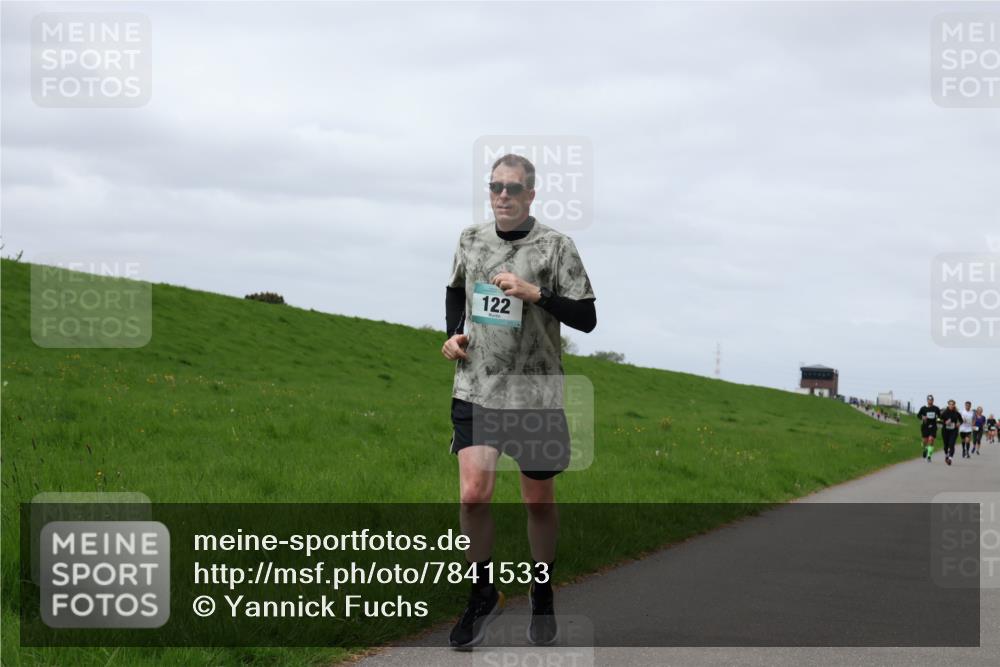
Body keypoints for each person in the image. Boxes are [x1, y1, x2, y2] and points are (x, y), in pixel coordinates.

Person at [441, 153, 596, 649]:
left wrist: (536, 294)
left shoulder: (556, 246)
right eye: (495, 188)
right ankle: (483, 591)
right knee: (473, 495)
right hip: (476, 389)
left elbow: (587, 318)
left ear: (531, 194)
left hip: (534, 394)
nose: (502, 196)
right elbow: (455, 292)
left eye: (513, 189)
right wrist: (454, 336)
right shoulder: (470, 239)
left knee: (537, 501)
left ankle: (543, 587)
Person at [917, 395, 941, 462]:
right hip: (925, 426)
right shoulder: (923, 408)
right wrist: (922, 417)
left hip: (933, 426)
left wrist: (938, 420)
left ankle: (929, 456)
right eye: (929, 400)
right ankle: (925, 449)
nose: (930, 401)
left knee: (931, 440)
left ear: (933, 401)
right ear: (927, 400)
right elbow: (918, 415)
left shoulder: (936, 408)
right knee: (925, 441)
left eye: (931, 400)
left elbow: (939, 416)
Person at [940, 400, 962, 465]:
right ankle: (946, 455)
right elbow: (938, 420)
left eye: (952, 404)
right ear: (948, 405)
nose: (951, 405)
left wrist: (959, 423)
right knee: (946, 446)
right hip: (945, 431)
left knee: (951, 444)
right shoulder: (944, 413)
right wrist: (945, 422)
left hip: (954, 430)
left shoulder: (956, 413)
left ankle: (950, 458)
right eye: (950, 404)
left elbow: (961, 420)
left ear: (954, 405)